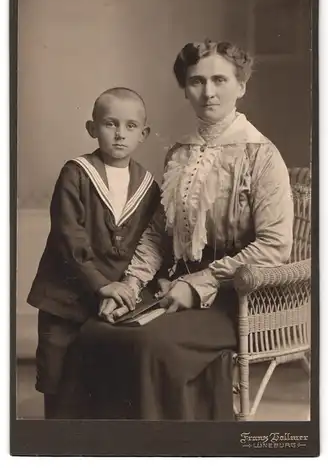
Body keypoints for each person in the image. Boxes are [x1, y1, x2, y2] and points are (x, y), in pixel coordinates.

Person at [77, 39, 294, 421]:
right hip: (171, 285)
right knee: (99, 331)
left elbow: (274, 246)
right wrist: (130, 285)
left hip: (236, 297)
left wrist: (199, 284)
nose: (208, 92)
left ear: (240, 86)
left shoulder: (262, 155)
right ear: (185, 89)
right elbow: (159, 233)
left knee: (149, 344)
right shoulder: (179, 153)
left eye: (220, 80)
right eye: (196, 81)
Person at [26, 87, 162, 419]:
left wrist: (127, 289)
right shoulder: (76, 173)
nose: (119, 134)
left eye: (130, 126)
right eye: (110, 124)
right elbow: (68, 235)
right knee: (59, 374)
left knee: (105, 377)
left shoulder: (148, 186)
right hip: (66, 296)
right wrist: (102, 284)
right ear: (92, 128)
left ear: (143, 134)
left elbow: (151, 242)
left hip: (114, 302)